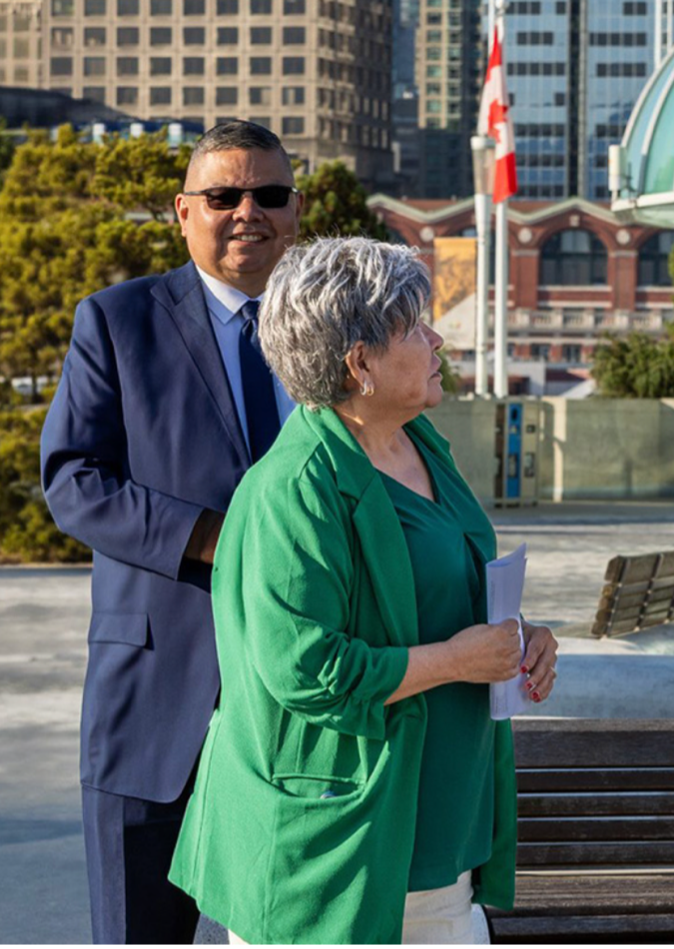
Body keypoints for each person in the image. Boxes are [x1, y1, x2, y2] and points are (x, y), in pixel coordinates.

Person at [167, 236, 559, 945]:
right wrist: (458, 660)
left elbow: (439, 589)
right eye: (414, 326)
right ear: (360, 364)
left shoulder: (421, 445)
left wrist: (519, 637)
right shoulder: (293, 489)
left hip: (439, 835)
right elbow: (308, 671)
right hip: (336, 851)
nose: (437, 339)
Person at [40, 120, 304, 944]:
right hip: (157, 700)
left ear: (297, 213)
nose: (246, 213)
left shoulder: (336, 333)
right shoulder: (118, 322)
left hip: (308, 707)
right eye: (223, 195)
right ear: (181, 212)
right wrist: (213, 538)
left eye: (269, 194)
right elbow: (72, 480)